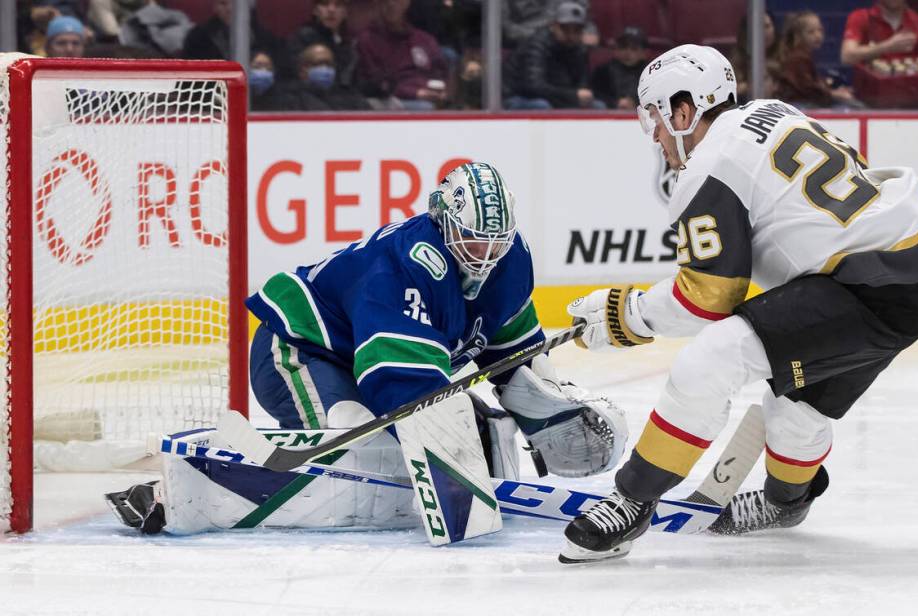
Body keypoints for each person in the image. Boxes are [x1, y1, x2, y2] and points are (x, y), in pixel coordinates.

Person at [558, 44, 918, 564]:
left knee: (712, 359)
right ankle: (786, 502)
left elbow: (709, 297)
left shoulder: (708, 166)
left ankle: (632, 500)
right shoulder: (773, 112)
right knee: (796, 406)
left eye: (655, 118)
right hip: (910, 279)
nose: (655, 134)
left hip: (861, 285)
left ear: (683, 111)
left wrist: (625, 314)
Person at [105, 162, 629, 535]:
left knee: (477, 429)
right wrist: (444, 443)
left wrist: (542, 410)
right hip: (298, 354)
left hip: (366, 359)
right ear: (444, 223)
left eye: (496, 242)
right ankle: (179, 494)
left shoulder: (510, 257)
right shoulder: (403, 264)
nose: (486, 255)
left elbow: (510, 352)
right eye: (473, 240)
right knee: (352, 439)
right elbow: (399, 385)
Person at [503, 1, 602, 110]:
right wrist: (572, 96)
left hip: (555, 96)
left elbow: (583, 85)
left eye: (577, 30)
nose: (571, 35)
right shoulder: (537, 45)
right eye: (565, 29)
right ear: (553, 26)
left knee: (598, 106)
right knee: (542, 106)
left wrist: (582, 96)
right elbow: (534, 87)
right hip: (518, 97)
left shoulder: (580, 49)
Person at [355, 0, 450, 110]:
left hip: (430, 97)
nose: (391, 3)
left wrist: (444, 91)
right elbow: (377, 84)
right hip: (394, 102)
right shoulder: (366, 40)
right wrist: (415, 93)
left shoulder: (424, 39)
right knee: (425, 108)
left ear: (407, 2)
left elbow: (442, 73)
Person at [775, 11, 861, 109]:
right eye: (811, 32)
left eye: (820, 30)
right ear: (798, 36)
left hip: (808, 101)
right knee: (851, 106)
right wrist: (834, 94)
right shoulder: (797, 59)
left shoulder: (804, 57)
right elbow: (807, 89)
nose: (818, 35)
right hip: (799, 104)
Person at [286, 0, 357, 86]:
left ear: (345, 12)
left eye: (338, 5)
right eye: (325, 4)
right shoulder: (302, 39)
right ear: (315, 10)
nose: (331, 10)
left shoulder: (349, 43)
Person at [282, 43, 371, 111]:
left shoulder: (351, 97)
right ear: (302, 69)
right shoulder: (291, 100)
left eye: (329, 64)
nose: (325, 69)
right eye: (319, 64)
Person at [590, 26, 649, 110]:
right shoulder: (603, 71)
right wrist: (616, 103)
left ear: (644, 53)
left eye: (634, 48)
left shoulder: (649, 74)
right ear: (616, 49)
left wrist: (635, 103)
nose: (627, 52)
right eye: (623, 47)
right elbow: (596, 94)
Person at [729, 11, 779, 101]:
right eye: (759, 27)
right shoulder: (737, 59)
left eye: (767, 26)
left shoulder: (784, 55)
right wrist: (747, 87)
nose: (764, 32)